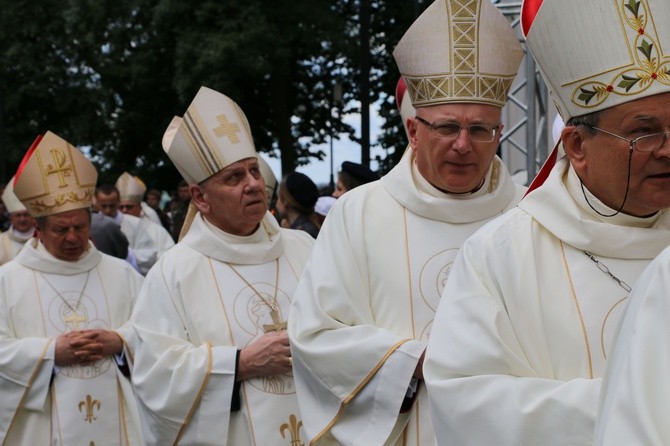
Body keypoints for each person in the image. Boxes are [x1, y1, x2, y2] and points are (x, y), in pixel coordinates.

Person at [422, 0, 670, 444]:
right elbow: (466, 402)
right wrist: (638, 406)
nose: (667, 149)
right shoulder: (501, 254)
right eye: (643, 131)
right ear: (576, 146)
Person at [287, 1, 525, 444]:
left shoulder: (529, 215)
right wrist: (414, 361)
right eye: (447, 127)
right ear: (414, 132)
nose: (462, 145)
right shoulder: (359, 214)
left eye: (480, 130)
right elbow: (314, 335)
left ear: (499, 132)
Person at [129, 86, 315, 444]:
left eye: (254, 172)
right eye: (234, 177)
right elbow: (154, 377)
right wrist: (238, 363)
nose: (253, 185)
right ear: (200, 198)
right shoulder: (174, 272)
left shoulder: (303, 248)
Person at [0, 131, 143, 444]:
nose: (73, 238)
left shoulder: (122, 274)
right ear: (38, 229)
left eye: (80, 227)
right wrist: (50, 353)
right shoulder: (7, 281)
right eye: (61, 230)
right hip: (40, 428)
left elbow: (159, 333)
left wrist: (119, 341)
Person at [95, 184, 158, 275]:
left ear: (118, 202)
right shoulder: (91, 224)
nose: (108, 210)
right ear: (97, 203)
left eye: (112, 206)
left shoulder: (135, 223)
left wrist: (126, 254)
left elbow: (150, 254)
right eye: (103, 206)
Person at [115, 172, 175, 258]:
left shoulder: (157, 231)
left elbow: (169, 256)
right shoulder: (112, 228)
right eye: (121, 207)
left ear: (140, 208)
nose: (124, 210)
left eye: (129, 207)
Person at [0, 176, 35, 264]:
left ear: (33, 217)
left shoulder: (42, 238)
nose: (22, 219)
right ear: (11, 218)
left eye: (26, 215)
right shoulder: (1, 240)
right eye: (18, 215)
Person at [277, 171, 321, 238]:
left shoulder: (302, 234)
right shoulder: (308, 228)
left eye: (278, 197)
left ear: (286, 201)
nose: (276, 203)